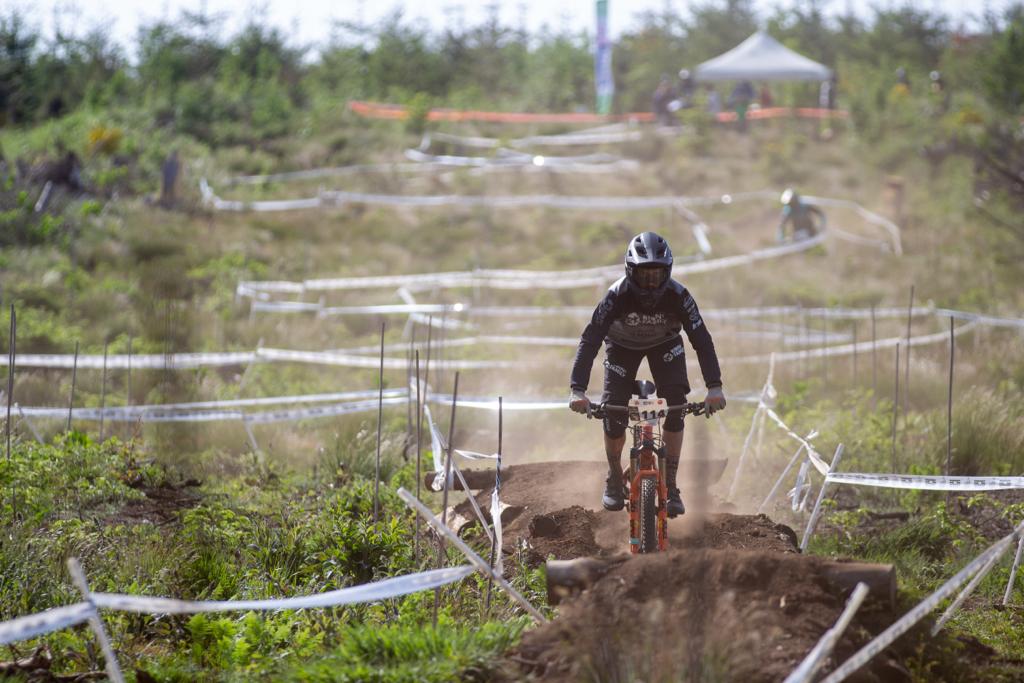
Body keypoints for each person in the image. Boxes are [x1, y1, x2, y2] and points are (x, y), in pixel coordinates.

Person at [569, 232, 727, 517]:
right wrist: (577, 390)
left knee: (677, 403)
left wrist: (714, 387)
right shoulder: (616, 296)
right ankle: (615, 477)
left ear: (668, 272)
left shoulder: (679, 295)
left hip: (665, 345)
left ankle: (672, 483)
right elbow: (590, 339)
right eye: (644, 275)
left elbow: (701, 339)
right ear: (631, 272)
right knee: (613, 411)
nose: (651, 282)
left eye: (657, 275)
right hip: (621, 347)